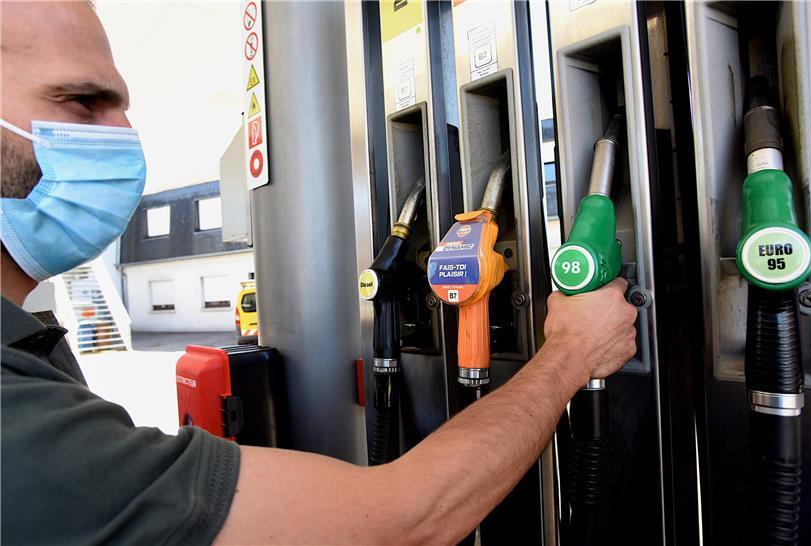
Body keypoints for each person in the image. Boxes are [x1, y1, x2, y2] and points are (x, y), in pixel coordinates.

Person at [0, 2, 638, 544]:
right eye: (82, 102)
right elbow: (404, 521)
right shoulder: (22, 426)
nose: (126, 137)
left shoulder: (26, 353)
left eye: (120, 108)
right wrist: (572, 351)